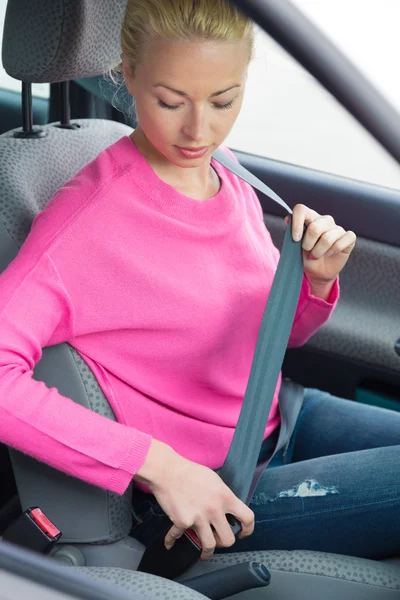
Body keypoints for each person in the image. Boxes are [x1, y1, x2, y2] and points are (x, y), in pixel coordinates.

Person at [0, 0, 398, 563]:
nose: (198, 130)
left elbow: (269, 341)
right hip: (218, 486)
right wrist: (159, 466)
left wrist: (313, 282)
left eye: (223, 100)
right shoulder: (85, 221)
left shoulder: (224, 172)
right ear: (128, 75)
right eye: (169, 101)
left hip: (282, 416)